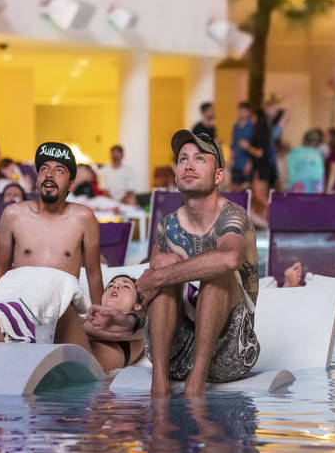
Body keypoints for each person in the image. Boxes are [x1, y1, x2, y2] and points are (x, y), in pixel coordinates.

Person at [89, 130, 260, 396]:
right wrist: (127, 320)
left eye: (200, 159)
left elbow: (230, 258)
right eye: (183, 159)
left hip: (231, 354)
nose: (189, 165)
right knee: (165, 261)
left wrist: (159, 277)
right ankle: (159, 384)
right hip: (175, 358)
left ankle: (196, 385)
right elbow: (155, 298)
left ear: (218, 175)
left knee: (217, 270)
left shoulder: (233, 218)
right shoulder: (167, 226)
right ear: (177, 173)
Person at [0, 141, 103, 347]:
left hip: (59, 307)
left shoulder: (83, 217)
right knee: (17, 281)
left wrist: (100, 321)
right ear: (37, 180)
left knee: (46, 284)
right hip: (18, 295)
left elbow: (94, 274)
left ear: (70, 185)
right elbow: (2, 272)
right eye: (44, 169)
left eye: (59, 170)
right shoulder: (13, 215)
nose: (49, 174)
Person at [286, 128, 325, 193]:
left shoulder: (294, 153)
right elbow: (320, 176)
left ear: (304, 140)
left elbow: (290, 174)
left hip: (298, 188)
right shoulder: (318, 154)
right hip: (315, 190)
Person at [230, 103, 254, 189]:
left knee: (247, 189)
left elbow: (254, 146)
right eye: (240, 110)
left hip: (246, 162)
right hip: (236, 162)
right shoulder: (235, 126)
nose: (241, 112)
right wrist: (231, 157)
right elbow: (233, 144)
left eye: (243, 110)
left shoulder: (252, 126)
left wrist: (250, 162)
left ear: (248, 112)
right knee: (235, 188)